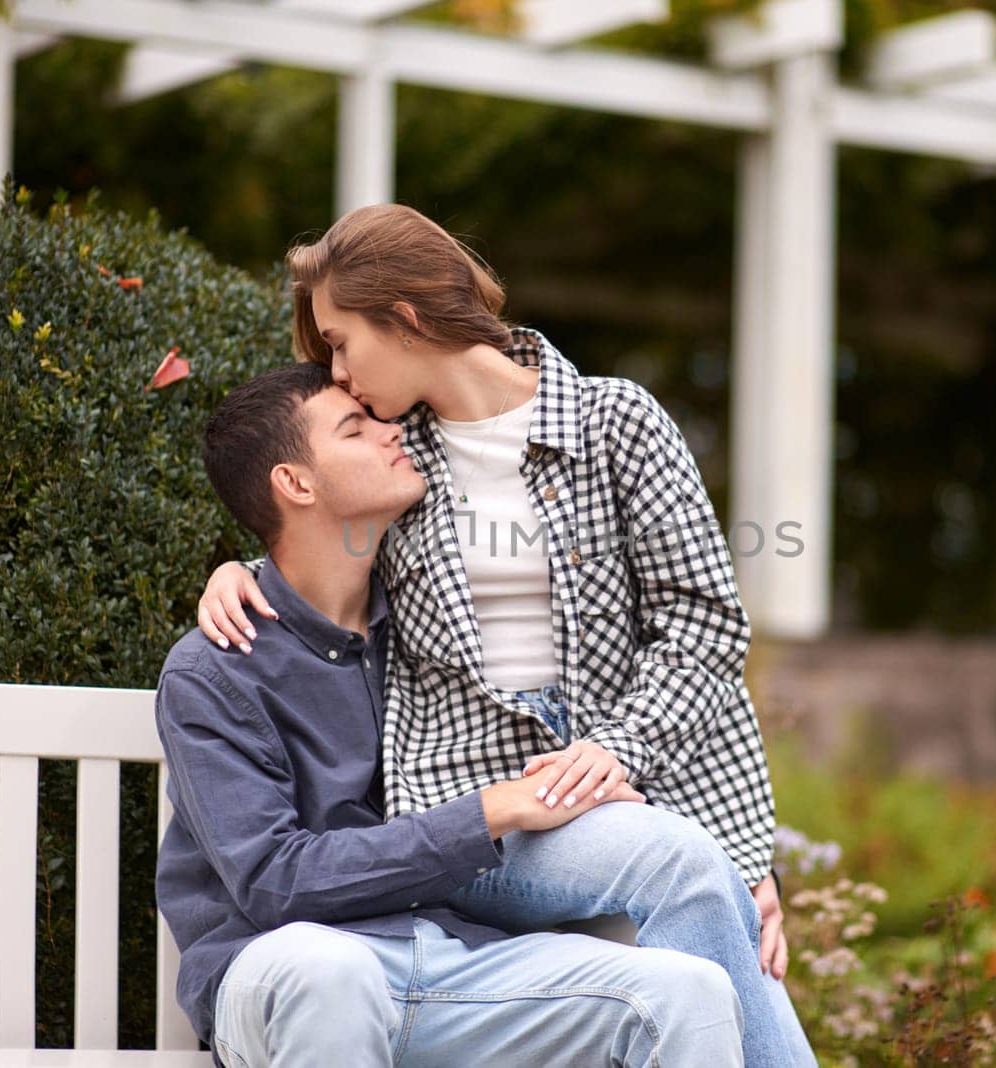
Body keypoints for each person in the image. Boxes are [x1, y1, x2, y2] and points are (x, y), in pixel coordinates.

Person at [196, 203, 815, 1066]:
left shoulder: (615, 424)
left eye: (340, 341)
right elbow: (300, 523)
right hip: (472, 819)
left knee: (690, 876)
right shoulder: (395, 460)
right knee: (677, 862)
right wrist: (231, 571)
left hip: (619, 801)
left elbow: (704, 627)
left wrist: (733, 844)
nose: (334, 373)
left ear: (405, 319)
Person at [156, 360, 748, 1067]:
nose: (390, 431)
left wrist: (747, 865)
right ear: (296, 482)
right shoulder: (215, 667)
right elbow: (276, 883)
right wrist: (494, 809)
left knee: (686, 992)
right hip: (285, 967)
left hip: (449, 963)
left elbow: (682, 646)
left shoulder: (425, 629)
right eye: (355, 427)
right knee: (329, 970)